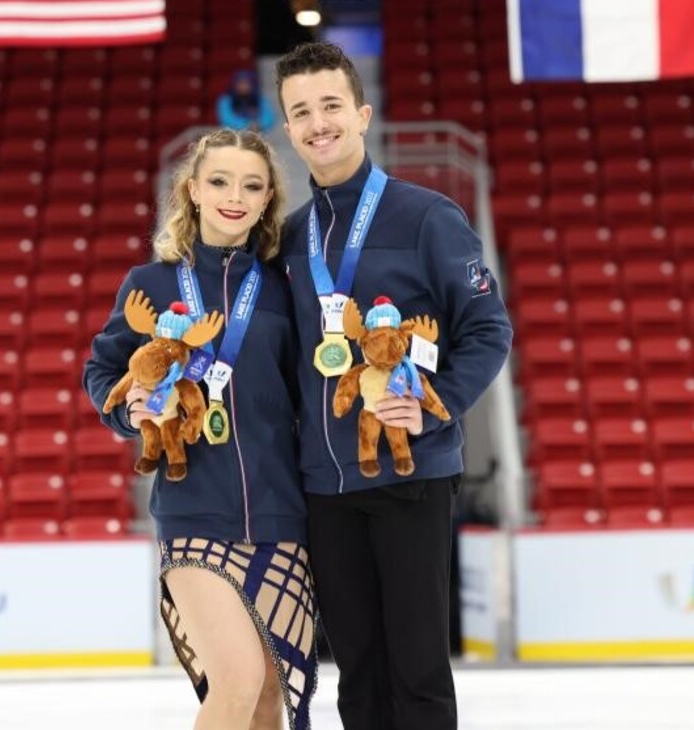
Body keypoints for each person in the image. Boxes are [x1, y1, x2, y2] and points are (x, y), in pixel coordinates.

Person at [273, 42, 513, 729]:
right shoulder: (289, 240)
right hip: (325, 487)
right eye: (301, 112)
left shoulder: (427, 216)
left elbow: (487, 329)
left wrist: (434, 414)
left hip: (412, 473)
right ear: (287, 130)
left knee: (418, 670)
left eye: (330, 106)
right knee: (358, 671)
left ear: (363, 113)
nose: (318, 123)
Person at [83, 128, 316, 730]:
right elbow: (103, 369)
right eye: (219, 181)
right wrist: (126, 410)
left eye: (251, 186)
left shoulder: (286, 288)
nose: (234, 196)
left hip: (282, 514)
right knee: (236, 683)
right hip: (193, 513)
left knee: (271, 697)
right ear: (192, 190)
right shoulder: (150, 284)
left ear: (267, 201)